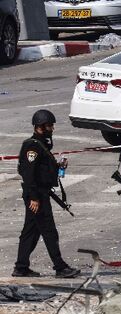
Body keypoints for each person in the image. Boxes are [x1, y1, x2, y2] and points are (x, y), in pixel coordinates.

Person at [12, 109, 80, 278]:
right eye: (50, 125)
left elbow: (42, 169)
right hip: (36, 196)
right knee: (49, 231)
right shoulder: (32, 146)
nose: (52, 129)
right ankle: (60, 267)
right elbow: (28, 174)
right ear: (41, 126)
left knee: (31, 232)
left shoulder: (42, 144)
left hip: (40, 193)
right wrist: (34, 198)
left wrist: (58, 167)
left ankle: (21, 267)